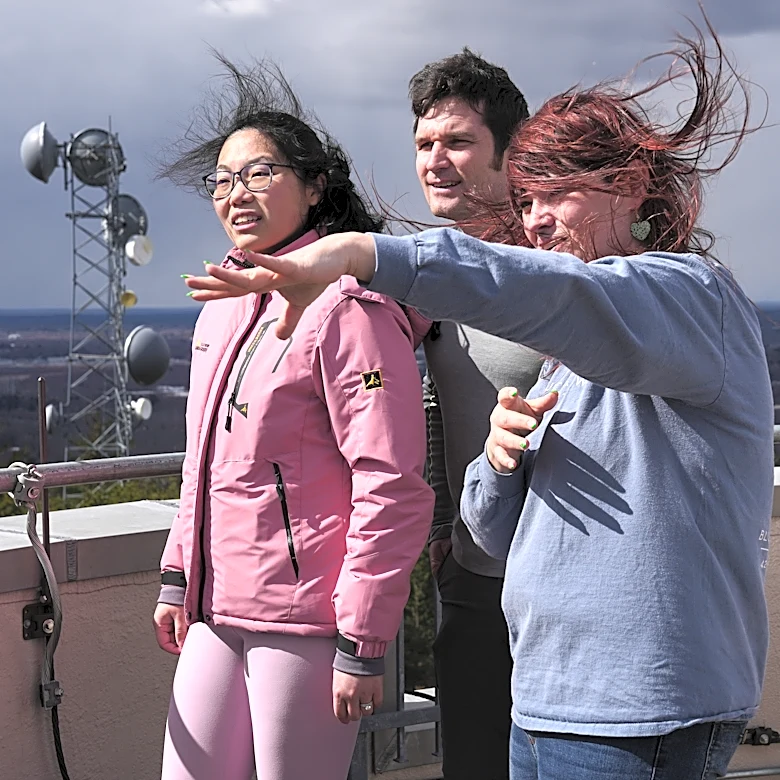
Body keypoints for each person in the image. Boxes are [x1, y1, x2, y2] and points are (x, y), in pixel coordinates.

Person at [183, 18, 773, 780]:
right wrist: (497, 464)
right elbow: (492, 527)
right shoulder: (562, 348)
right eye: (529, 202)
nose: (537, 222)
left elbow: (559, 297)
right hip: (547, 686)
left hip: (636, 706)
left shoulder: (682, 296)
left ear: (629, 187)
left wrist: (362, 253)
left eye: (555, 194)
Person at [152, 55, 434, 780]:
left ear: (314, 188)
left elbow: (391, 483)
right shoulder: (224, 303)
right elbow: (203, 464)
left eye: (259, 173)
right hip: (219, 609)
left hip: (309, 622)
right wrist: (180, 575)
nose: (234, 193)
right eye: (222, 179)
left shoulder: (348, 309)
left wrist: (363, 642)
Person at [409, 49, 542, 780]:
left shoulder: (555, 270)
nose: (436, 160)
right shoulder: (430, 273)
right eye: (426, 145)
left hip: (562, 586)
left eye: (458, 142)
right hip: (470, 578)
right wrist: (437, 529)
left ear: (508, 154)